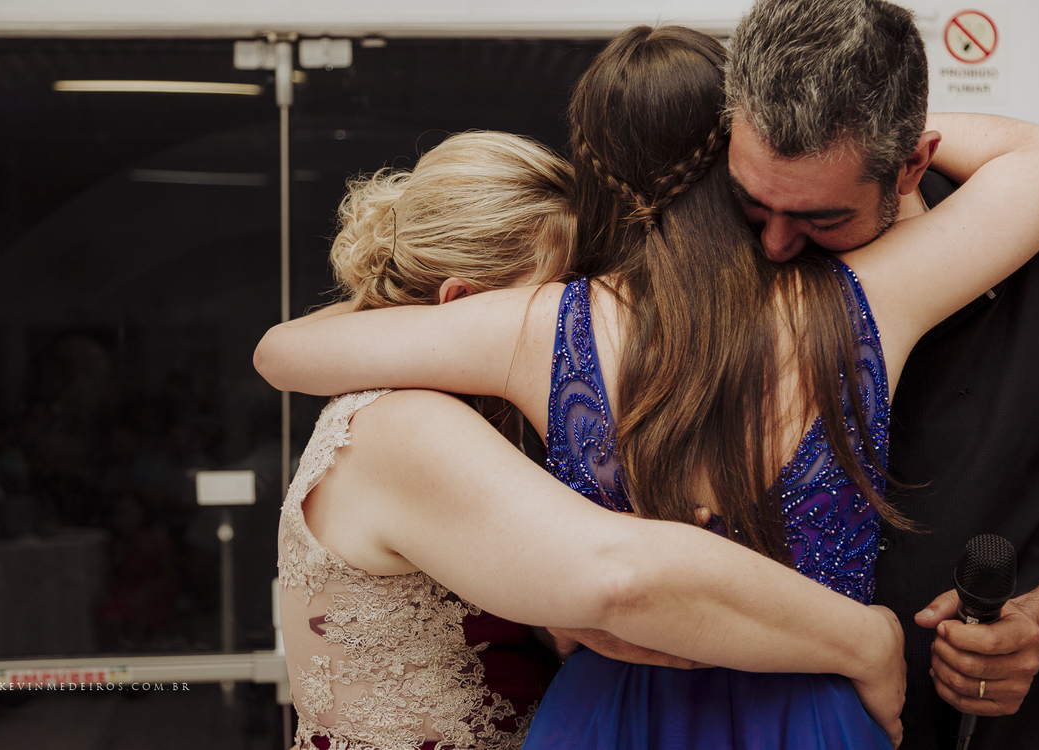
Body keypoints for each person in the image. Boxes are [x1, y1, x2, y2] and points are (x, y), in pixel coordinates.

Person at [257, 21, 1039, 749]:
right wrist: (848, 134)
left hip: (613, 712)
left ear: (596, 168)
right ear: (734, 145)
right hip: (813, 709)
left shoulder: (537, 325)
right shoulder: (871, 299)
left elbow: (283, 354)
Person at [275, 130, 909, 750]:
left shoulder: (470, 418)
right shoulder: (403, 426)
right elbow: (620, 575)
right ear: (461, 303)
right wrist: (867, 641)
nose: (586, 325)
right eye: (564, 297)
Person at [724, 1, 1039, 747]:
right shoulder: (710, 259)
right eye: (753, 205)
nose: (778, 244)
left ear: (914, 162)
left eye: (821, 219)